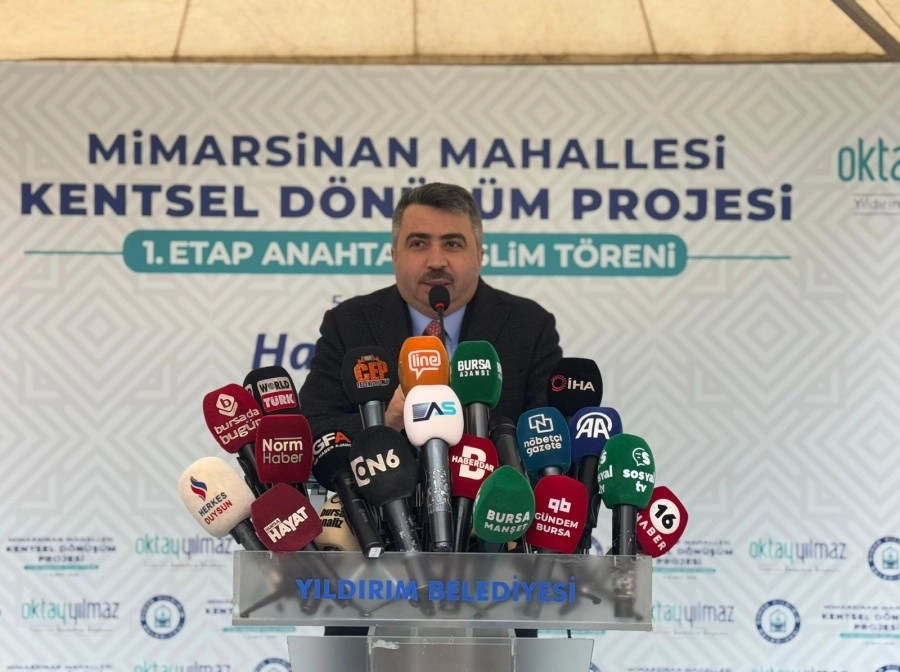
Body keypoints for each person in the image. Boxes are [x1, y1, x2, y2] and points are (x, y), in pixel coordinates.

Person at [298, 182, 562, 441]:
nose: (436, 261)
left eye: (452, 244)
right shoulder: (349, 323)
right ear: (394, 255)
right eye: (418, 244)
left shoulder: (529, 325)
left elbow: (552, 433)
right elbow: (314, 427)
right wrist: (386, 421)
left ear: (479, 256)